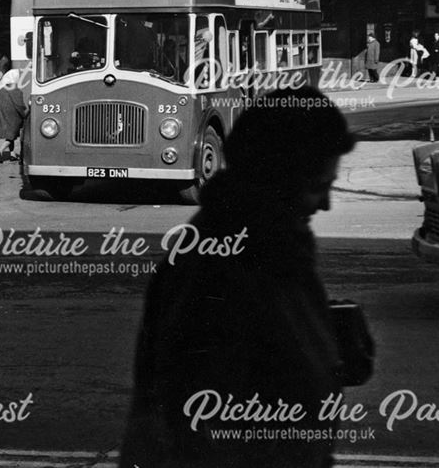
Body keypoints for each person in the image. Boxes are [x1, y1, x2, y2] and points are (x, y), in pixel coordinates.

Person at [119, 86, 357, 468]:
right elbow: (207, 429)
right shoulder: (224, 266)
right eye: (318, 187)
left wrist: (326, 343)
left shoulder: (272, 247)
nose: (326, 204)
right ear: (278, 181)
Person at [0, 64, 27, 162]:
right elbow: (19, 104)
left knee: (11, 132)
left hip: (2, 111)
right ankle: (0, 150)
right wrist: (25, 113)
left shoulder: (2, 88)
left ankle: (12, 154)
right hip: (11, 113)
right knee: (12, 133)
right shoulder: (13, 88)